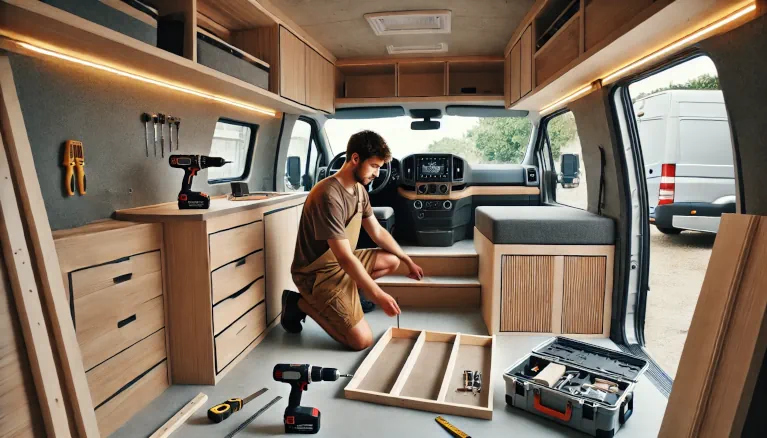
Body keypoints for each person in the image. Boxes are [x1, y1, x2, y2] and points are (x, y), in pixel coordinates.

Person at [281, 130, 424, 350]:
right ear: (355, 159)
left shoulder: (359, 189)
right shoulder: (328, 195)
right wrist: (378, 295)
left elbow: (378, 232)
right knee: (361, 341)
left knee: (391, 260)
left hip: (340, 266)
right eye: (374, 166)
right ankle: (298, 303)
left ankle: (348, 294)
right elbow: (345, 258)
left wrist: (406, 259)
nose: (377, 173)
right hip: (317, 275)